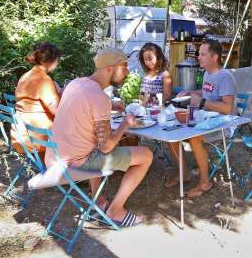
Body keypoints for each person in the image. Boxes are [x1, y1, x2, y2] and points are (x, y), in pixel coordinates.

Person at [48, 47, 154, 227]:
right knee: (146, 154)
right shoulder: (99, 97)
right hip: (75, 164)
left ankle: (98, 200)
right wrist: (124, 124)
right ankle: (116, 211)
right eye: (124, 68)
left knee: (93, 144)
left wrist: (109, 105)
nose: (127, 73)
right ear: (109, 68)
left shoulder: (76, 84)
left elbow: (84, 106)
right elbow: (106, 147)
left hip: (54, 157)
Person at [170, 39, 236, 197]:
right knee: (172, 133)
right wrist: (190, 93)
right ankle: (184, 174)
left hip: (224, 125)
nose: (198, 57)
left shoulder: (225, 78)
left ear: (215, 57)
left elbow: (227, 108)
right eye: (199, 54)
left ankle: (205, 183)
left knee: (194, 138)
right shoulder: (207, 73)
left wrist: (202, 101)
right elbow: (206, 93)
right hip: (206, 119)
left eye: (202, 54)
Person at [14, 42, 62, 158]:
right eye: (57, 59)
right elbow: (56, 110)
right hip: (39, 139)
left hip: (21, 133)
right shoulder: (44, 79)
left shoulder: (25, 76)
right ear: (51, 61)